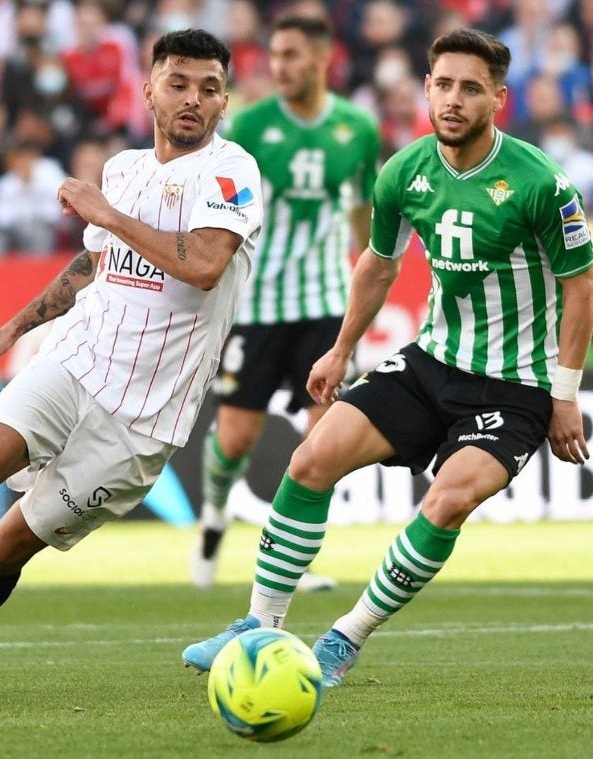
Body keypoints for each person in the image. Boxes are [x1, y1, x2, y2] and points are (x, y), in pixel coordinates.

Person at [0, 27, 262, 699]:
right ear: (149, 90)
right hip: (77, 360)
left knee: (7, 545)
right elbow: (92, 265)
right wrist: (8, 332)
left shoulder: (231, 171)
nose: (192, 99)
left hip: (143, 418)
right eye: (177, 83)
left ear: (224, 100)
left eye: (208, 88)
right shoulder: (123, 168)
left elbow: (205, 265)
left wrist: (108, 214)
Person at [181, 27, 593, 687]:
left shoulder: (541, 181)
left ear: (498, 100)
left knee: (448, 499)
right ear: (427, 89)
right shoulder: (406, 170)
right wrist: (342, 347)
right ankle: (259, 624)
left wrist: (565, 393)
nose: (454, 99)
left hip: (515, 386)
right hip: (431, 361)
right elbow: (378, 262)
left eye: (471, 89)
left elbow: (582, 286)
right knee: (311, 458)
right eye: (444, 85)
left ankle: (347, 635)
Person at [189, 15, 380, 592]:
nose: (280, 66)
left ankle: (285, 562)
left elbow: (361, 215)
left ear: (321, 59)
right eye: (274, 55)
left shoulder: (356, 128)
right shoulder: (249, 125)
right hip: (256, 305)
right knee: (235, 440)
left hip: (324, 303)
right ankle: (214, 517)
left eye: (292, 55)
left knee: (323, 443)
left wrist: (367, 264)